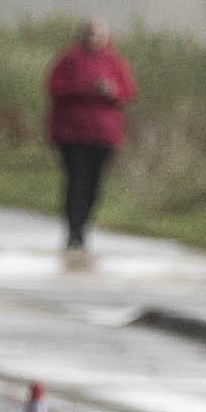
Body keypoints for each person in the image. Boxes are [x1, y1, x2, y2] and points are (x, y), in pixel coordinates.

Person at [43, 19, 136, 252]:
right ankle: (73, 230)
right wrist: (84, 88)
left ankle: (84, 225)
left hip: (103, 136)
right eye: (90, 35)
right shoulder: (69, 59)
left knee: (94, 184)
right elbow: (54, 86)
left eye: (98, 35)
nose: (93, 39)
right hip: (72, 134)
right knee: (76, 181)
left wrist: (110, 91)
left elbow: (128, 91)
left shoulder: (114, 62)